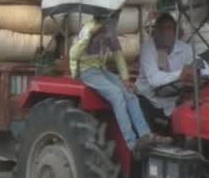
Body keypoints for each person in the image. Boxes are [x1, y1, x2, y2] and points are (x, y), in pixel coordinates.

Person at [69, 12, 170, 154]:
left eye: (116, 18)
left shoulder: (109, 33)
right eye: (113, 18)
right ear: (104, 18)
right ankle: (131, 143)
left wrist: (125, 79)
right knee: (116, 94)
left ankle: (145, 135)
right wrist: (89, 36)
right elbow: (73, 54)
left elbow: (118, 55)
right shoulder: (88, 30)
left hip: (101, 70)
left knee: (130, 93)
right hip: (88, 72)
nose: (115, 22)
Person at [136, 13, 209, 128]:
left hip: (172, 103)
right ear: (155, 32)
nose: (164, 33)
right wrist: (182, 73)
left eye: (168, 28)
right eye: (160, 29)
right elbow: (154, 80)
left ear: (174, 32)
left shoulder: (184, 49)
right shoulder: (148, 49)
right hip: (147, 100)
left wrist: (196, 71)